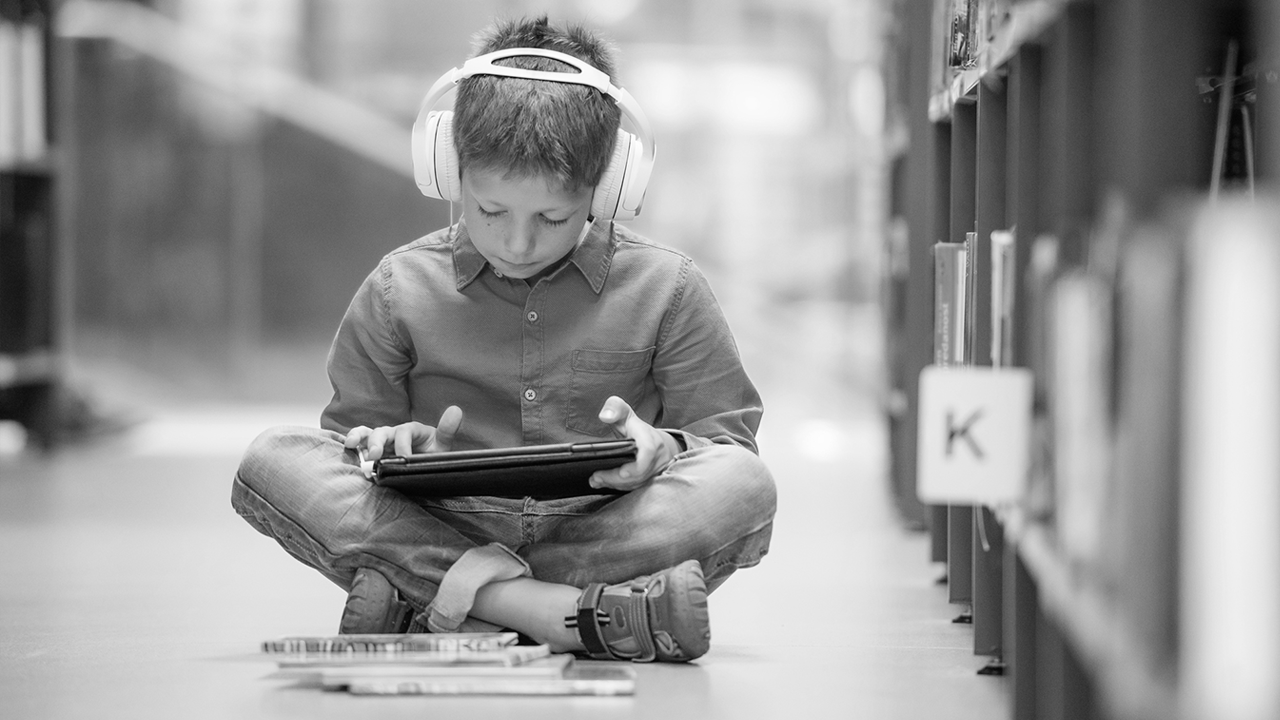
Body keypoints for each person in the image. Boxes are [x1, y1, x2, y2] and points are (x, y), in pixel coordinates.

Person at [232, 15, 775, 663]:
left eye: (552, 217)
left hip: (602, 527)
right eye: (490, 211)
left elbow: (727, 446)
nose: (517, 242)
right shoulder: (397, 288)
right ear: (447, 170)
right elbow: (351, 451)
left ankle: (436, 597)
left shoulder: (670, 287)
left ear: (609, 187)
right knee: (273, 459)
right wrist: (393, 445)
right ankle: (567, 613)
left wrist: (664, 449)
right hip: (441, 520)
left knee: (745, 483)